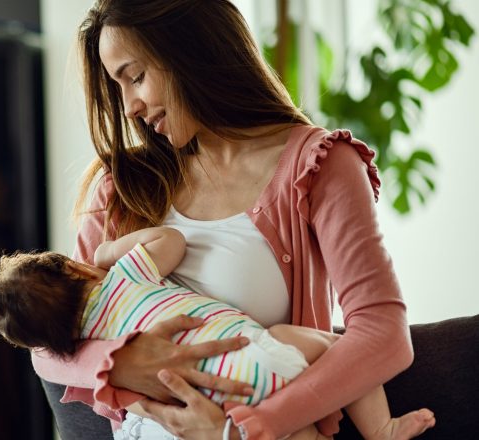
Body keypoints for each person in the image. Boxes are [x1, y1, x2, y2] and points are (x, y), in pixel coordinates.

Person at [33, 0, 422, 439]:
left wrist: (242, 431)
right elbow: (46, 346)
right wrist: (123, 362)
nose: (129, 108)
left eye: (136, 77)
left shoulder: (318, 167)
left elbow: (383, 333)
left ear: (191, 49)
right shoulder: (121, 186)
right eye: (118, 86)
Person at [0, 226, 435, 440]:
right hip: (257, 355)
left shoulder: (91, 355)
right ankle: (381, 429)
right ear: (76, 268)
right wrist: (111, 249)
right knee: (335, 346)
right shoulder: (122, 276)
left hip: (211, 407)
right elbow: (172, 243)